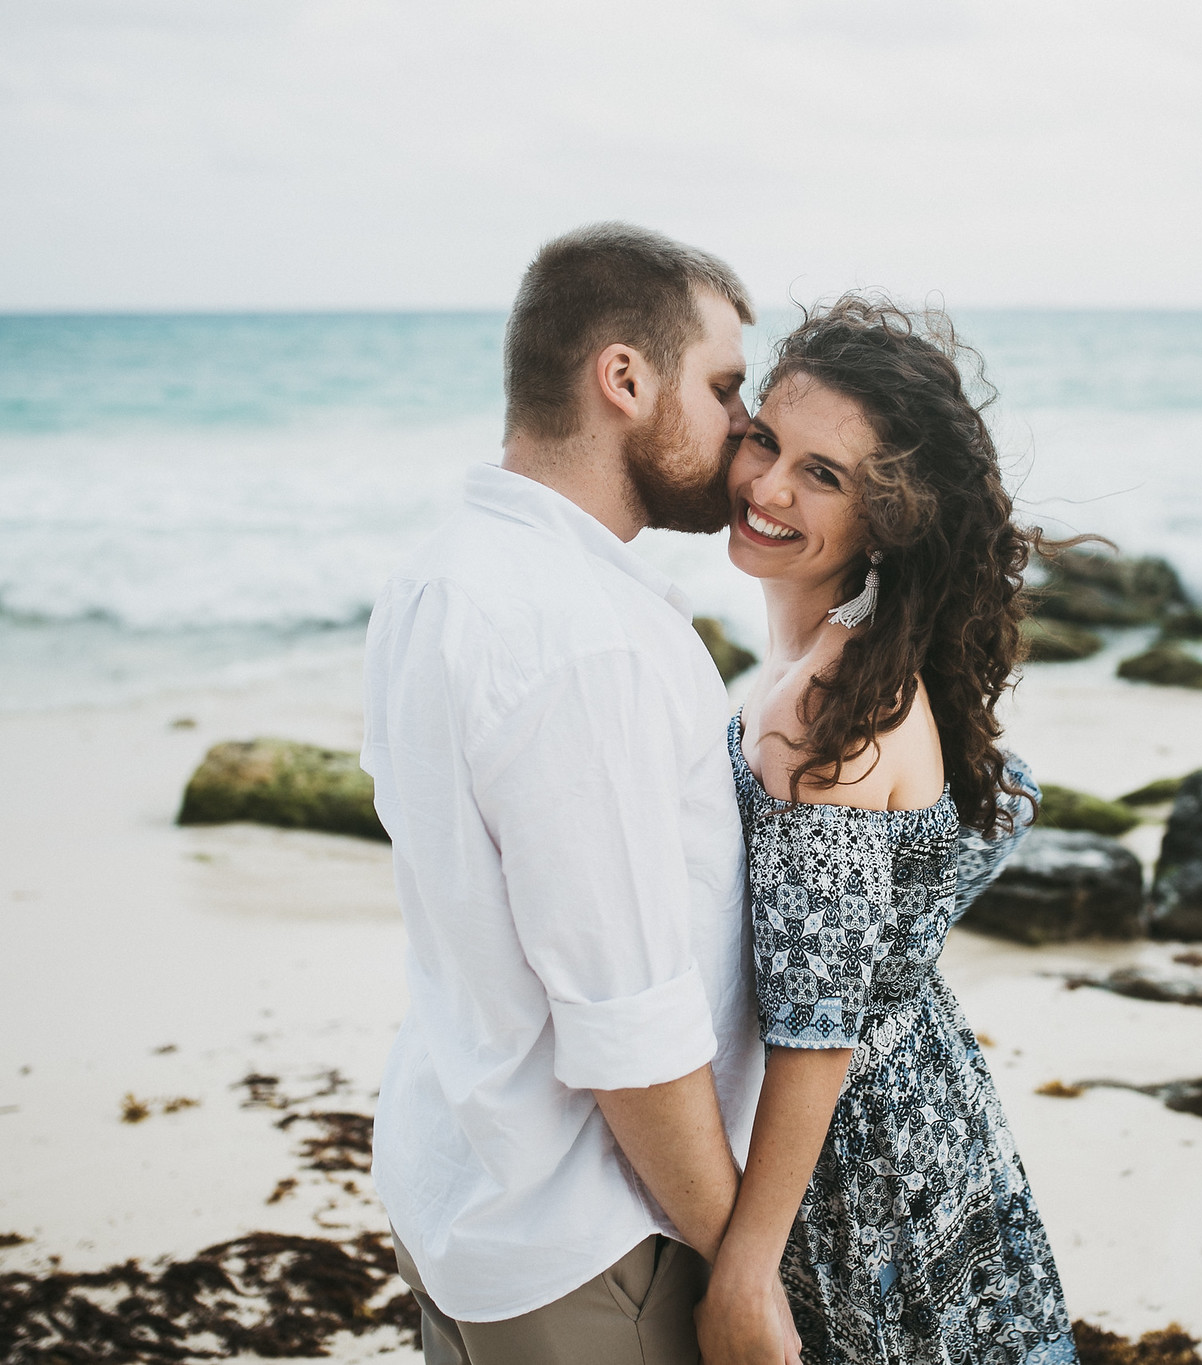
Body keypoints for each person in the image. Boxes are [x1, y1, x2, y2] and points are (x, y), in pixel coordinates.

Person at [360, 223, 772, 1365]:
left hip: (466, 1184)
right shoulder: (585, 638)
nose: (751, 425)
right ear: (625, 379)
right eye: (728, 385)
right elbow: (629, 1025)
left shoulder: (436, 575)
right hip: (594, 1241)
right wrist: (743, 1265)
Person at [696, 296, 1077, 1365]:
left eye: (823, 475)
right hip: (931, 1112)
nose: (767, 487)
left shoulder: (828, 712)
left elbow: (817, 1031)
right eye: (765, 440)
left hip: (859, 1162)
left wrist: (744, 1268)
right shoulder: (850, 663)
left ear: (891, 517)